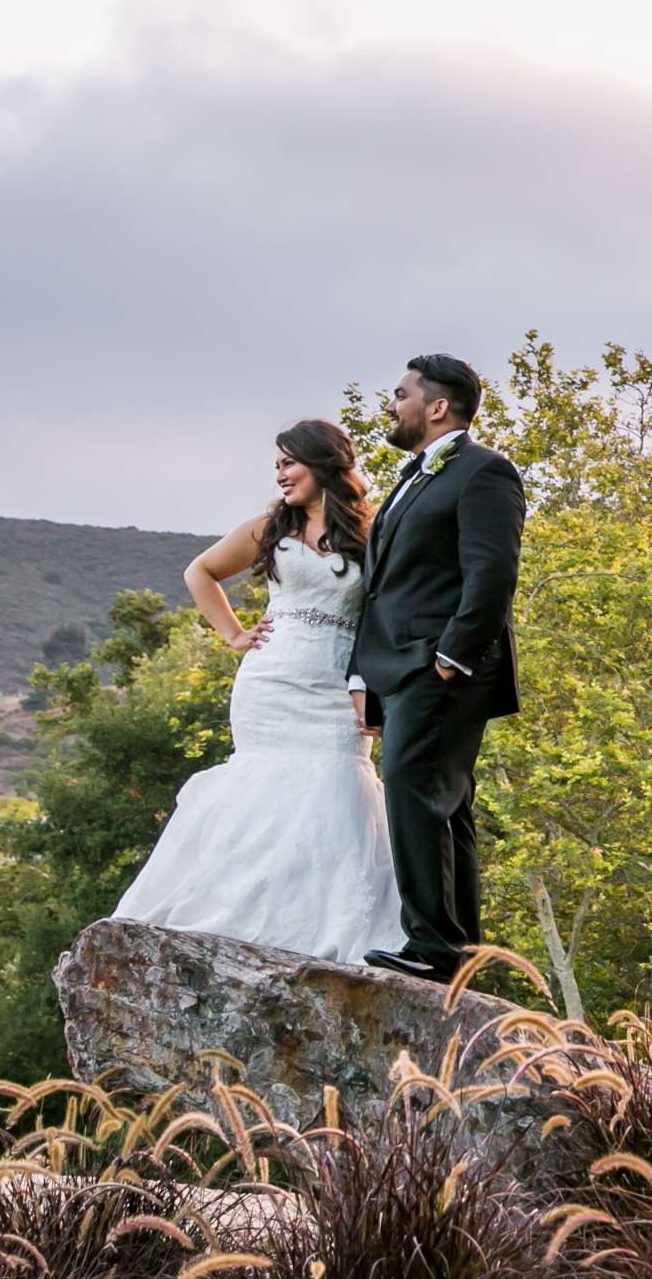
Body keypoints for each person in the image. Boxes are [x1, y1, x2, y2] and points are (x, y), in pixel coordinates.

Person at [111, 419, 407, 962]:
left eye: (289, 463)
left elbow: (385, 622)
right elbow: (200, 571)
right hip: (270, 683)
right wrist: (234, 635)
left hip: (337, 688)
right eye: (276, 466)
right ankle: (237, 918)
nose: (281, 476)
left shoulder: (374, 531)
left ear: (323, 464)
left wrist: (373, 691)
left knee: (339, 790)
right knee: (263, 788)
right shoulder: (270, 528)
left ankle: (331, 930)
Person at [346, 354, 527, 983]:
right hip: (394, 668)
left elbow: (492, 572)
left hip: (440, 668)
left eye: (400, 395)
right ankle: (459, 951)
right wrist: (360, 674)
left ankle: (432, 949)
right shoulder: (409, 478)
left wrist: (451, 659)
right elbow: (379, 588)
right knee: (444, 806)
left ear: (438, 406)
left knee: (415, 791)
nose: (391, 406)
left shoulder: (484, 472)